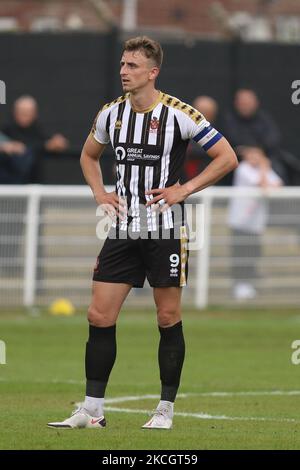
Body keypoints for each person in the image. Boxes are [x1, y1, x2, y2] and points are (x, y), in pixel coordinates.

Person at [47, 36, 237, 430]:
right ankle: (92, 410)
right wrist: (100, 192)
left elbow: (227, 157)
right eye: (122, 64)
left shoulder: (179, 114)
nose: (123, 72)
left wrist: (183, 189)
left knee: (167, 317)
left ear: (153, 72)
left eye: (132, 66)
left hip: (166, 230)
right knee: (99, 315)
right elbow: (87, 155)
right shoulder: (111, 114)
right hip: (122, 229)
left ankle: (164, 410)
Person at [227, 146, 283, 300]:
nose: (254, 157)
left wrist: (264, 168)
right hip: (240, 221)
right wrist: (265, 167)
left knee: (254, 253)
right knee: (240, 254)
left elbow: (277, 185)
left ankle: (249, 284)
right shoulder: (243, 168)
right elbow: (263, 185)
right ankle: (239, 286)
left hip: (256, 224)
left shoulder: (262, 170)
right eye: (251, 154)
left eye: (257, 154)